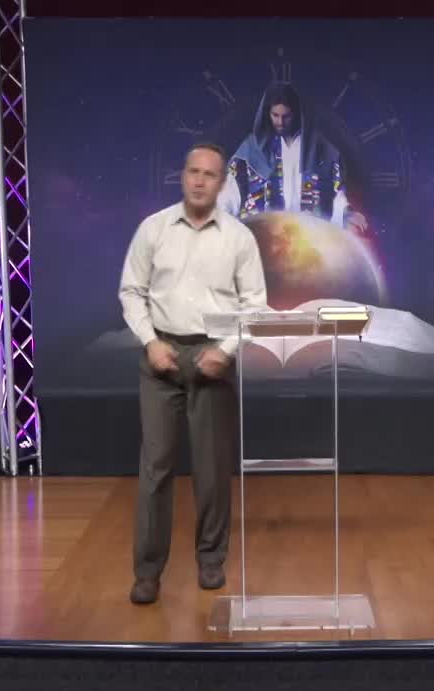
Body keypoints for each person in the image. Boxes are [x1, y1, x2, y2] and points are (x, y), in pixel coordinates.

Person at [118, 141, 268, 604]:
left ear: (222, 183)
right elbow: (131, 292)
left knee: (211, 470)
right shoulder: (153, 229)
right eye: (193, 172)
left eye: (210, 174)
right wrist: (150, 342)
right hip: (161, 356)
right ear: (182, 176)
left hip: (213, 360)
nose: (200, 181)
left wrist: (225, 351)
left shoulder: (238, 237)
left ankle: (210, 560)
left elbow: (255, 306)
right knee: (156, 469)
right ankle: (147, 572)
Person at [219, 83, 368, 233]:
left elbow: (335, 192)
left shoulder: (319, 148)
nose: (280, 122)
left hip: (306, 239)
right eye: (275, 115)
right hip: (262, 235)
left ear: (296, 114)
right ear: (267, 113)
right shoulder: (253, 147)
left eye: (286, 116)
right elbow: (232, 189)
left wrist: (346, 213)